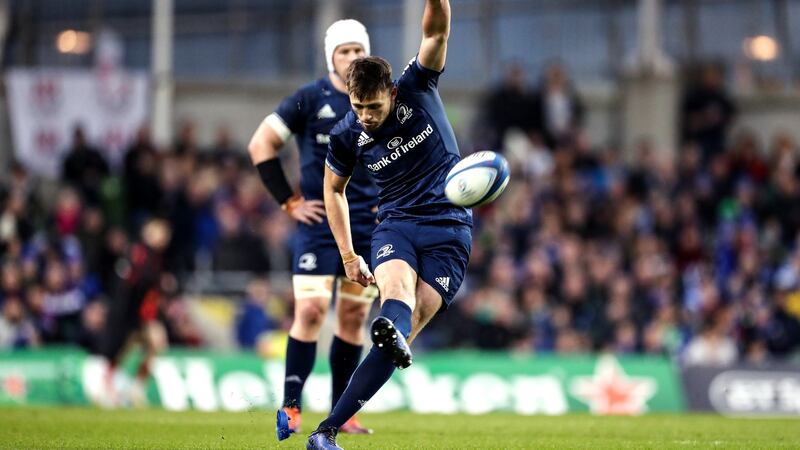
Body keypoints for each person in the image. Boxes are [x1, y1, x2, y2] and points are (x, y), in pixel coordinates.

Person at [309, 1, 472, 448]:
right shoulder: (347, 134)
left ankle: (327, 428)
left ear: (391, 93)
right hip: (396, 225)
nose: (365, 115)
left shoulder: (417, 86)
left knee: (413, 315)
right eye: (357, 105)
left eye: (373, 106)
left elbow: (436, 32)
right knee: (396, 297)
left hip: (450, 229)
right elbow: (332, 190)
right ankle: (324, 435)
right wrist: (347, 253)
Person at [247, 19, 379, 438]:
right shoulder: (308, 98)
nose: (353, 58)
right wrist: (289, 201)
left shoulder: (381, 100)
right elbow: (260, 145)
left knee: (354, 317)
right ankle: (291, 405)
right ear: (332, 58)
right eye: (345, 51)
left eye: (360, 50)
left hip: (368, 229)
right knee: (309, 310)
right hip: (320, 225)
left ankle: (342, 415)